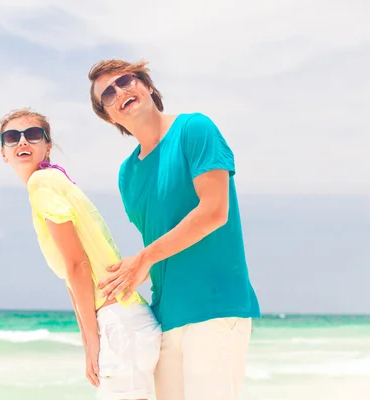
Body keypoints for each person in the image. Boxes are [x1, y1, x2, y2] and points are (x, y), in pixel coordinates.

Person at [87, 59, 261, 400]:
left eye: (126, 81)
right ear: (109, 116)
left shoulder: (194, 129)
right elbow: (159, 245)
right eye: (108, 93)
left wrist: (144, 259)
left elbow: (214, 212)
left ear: (148, 86)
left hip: (215, 307)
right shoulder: (127, 175)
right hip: (164, 317)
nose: (120, 91)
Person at [0, 107, 162, 400]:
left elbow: (77, 265)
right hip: (124, 320)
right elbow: (73, 274)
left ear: (47, 147)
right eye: (12, 137)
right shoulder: (54, 182)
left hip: (119, 323)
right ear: (4, 152)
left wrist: (93, 340)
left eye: (33, 135)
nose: (22, 142)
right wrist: (89, 339)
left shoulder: (42, 183)